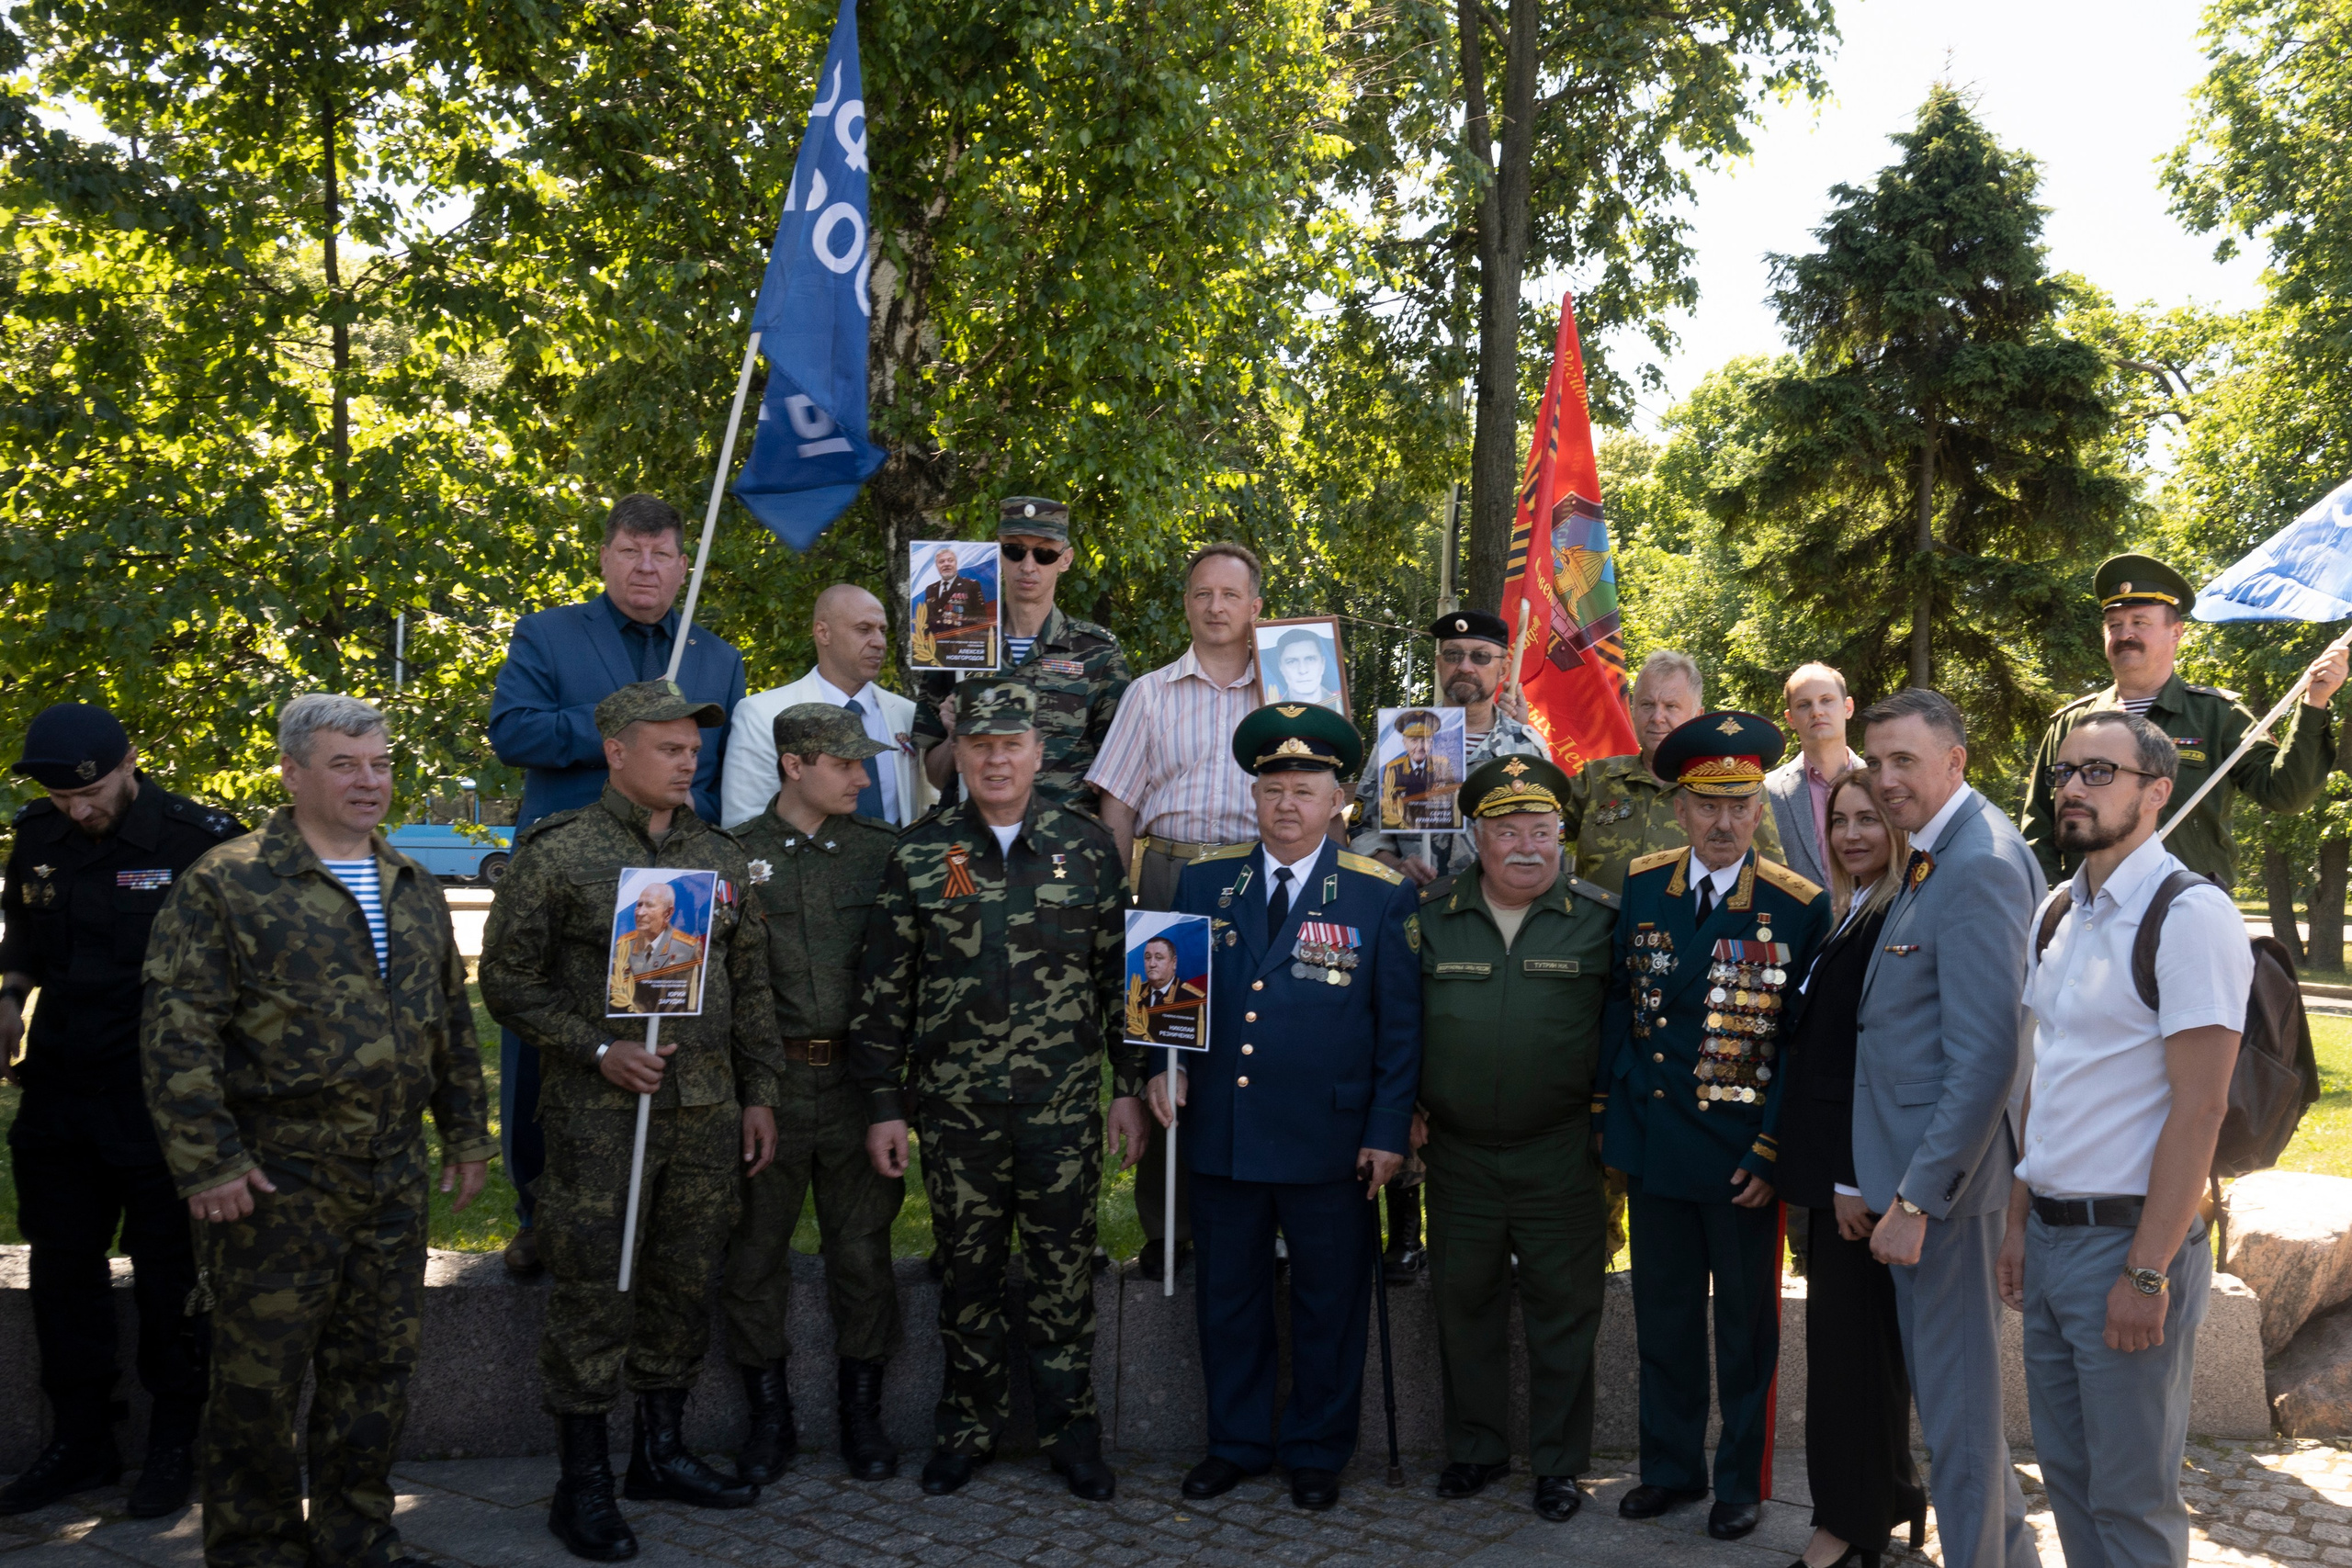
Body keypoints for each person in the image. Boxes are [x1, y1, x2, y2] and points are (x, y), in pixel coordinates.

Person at [140, 694, 494, 1568]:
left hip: (390, 1174)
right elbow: (177, 1032)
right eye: (345, 764)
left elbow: (449, 1019)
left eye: (380, 763)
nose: (370, 781)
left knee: (375, 1371)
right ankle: (255, 1546)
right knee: (257, 1381)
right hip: (275, 1178)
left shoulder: (412, 884)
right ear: (293, 773)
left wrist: (465, 1133)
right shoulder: (228, 881)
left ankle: (356, 1536)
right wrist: (208, 1163)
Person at [480, 680, 783, 1562]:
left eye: (694, 749)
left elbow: (751, 984)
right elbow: (507, 982)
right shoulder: (559, 851)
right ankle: (582, 1482)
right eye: (669, 748)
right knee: (595, 1286)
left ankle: (660, 1450)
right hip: (600, 1115)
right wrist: (597, 1047)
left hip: (705, 1110)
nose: (688, 762)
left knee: (683, 1282)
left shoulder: (718, 856)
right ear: (616, 751)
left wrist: (759, 1092)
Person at [849, 682, 1148, 1501]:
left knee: (1063, 1276)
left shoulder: (1088, 849)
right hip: (956, 1111)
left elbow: (1119, 981)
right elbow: (885, 991)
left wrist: (1128, 1088)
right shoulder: (920, 852)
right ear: (960, 752)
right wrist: (884, 1104)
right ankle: (965, 1429)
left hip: (1060, 1109)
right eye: (980, 744)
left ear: (1039, 752)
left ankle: (1071, 1433)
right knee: (967, 1276)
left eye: (1012, 743)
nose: (995, 759)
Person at [1149, 703, 1422, 1514]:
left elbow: (1401, 1030)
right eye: (1274, 789)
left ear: (1338, 799)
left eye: (1305, 790)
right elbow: (1165, 998)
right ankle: (1235, 1442)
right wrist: (1160, 1069)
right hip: (1224, 1130)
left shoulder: (1377, 895)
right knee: (1229, 1297)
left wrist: (1387, 1130)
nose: (1288, 804)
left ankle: (1316, 1449)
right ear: (1254, 796)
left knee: (1328, 1302)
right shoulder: (1204, 882)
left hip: (1330, 1138)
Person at [2001, 712, 2246, 1568]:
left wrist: (2146, 1271)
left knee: (2132, 1499)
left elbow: (2201, 1110)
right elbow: (2046, 1078)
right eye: (2065, 771)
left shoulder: (2190, 915)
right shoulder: (2057, 911)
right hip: (2048, 1237)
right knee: (2069, 1481)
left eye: (2099, 772)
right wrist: (2017, 1219)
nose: (2072, 787)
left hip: (2132, 1244)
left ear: (2156, 792)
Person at [488, 493, 749, 1279]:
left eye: (661, 554)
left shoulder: (716, 657)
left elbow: (718, 769)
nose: (645, 567)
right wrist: (616, 733)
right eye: (631, 551)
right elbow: (513, 730)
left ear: (682, 566)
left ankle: (663, 1209)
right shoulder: (548, 633)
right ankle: (538, 1212)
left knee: (668, 1049)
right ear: (604, 558)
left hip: (674, 879)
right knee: (546, 1047)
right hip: (572, 875)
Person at [0, 704, 241, 1519]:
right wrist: (8, 996)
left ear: (131, 762)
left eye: (92, 792)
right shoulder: (38, 835)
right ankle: (80, 1439)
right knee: (61, 1265)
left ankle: (174, 1439)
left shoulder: (200, 840)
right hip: (60, 1088)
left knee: (170, 1272)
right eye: (62, 798)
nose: (79, 809)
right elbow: (24, 938)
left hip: (160, 1097)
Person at [1598, 710, 1829, 1541]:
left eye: (1739, 804)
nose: (1724, 821)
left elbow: (1799, 1045)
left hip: (1740, 1156)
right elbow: (1621, 1000)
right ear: (1681, 808)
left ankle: (1740, 1480)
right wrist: (1613, 1110)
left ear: (1759, 808)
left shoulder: (1798, 905)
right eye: (1707, 804)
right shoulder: (1643, 883)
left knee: (1744, 1330)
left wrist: (1771, 1149)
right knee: (1662, 1320)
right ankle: (1669, 1468)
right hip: (1657, 1143)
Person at [1852, 688, 2043, 1568]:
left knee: (1959, 1417)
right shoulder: (1939, 850)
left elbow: (1986, 1059)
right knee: (1956, 1408)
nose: (1885, 779)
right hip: (1926, 1181)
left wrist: (1916, 1199)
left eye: (1905, 760)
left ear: (1955, 760)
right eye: (1875, 760)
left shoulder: (1980, 862)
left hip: (1946, 1195)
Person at [1412, 753, 1617, 1522]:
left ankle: (1559, 1463)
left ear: (1562, 832)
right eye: (1507, 830)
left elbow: (1624, 1030)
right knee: (1463, 1302)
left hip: (1559, 1148)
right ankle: (1476, 1448)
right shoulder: (1430, 916)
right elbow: (1397, 1023)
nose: (1527, 846)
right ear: (1476, 835)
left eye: (1542, 828)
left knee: (1566, 1309)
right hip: (1457, 1151)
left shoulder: (1599, 918)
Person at [721, 704, 905, 1487]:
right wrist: (753, 1090)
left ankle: (863, 1413)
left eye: (863, 762)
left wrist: (890, 1094)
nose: (863, 777)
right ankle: (769, 1417)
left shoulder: (883, 852)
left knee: (862, 1251)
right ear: (794, 765)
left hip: (860, 1083)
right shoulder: (734, 857)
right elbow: (728, 990)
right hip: (773, 1085)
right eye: (846, 763)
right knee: (754, 1252)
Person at [1089, 541, 1268, 1278]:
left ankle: (1261, 1225)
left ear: (1256, 606)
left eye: (1230, 594)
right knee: (1165, 1045)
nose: (1216, 607)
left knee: (1258, 1043)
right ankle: (1171, 1227)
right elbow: (1117, 807)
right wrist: (1120, 903)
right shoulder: (1149, 693)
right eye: (1202, 594)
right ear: (1186, 604)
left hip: (1258, 880)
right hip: (1169, 880)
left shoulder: (1290, 692)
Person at [1775, 770, 1928, 1568]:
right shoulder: (1857, 909)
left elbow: (1866, 1059)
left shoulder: (1889, 916)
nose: (1852, 834)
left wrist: (1848, 1181)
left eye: (1870, 819)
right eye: (1840, 821)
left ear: (1898, 829)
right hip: (1840, 1173)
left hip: (1858, 1182)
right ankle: (1891, 1493)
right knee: (1862, 1348)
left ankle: (1847, 1525)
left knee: (1848, 1359)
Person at [2018, 553, 2346, 888]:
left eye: (2140, 622)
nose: (2125, 634)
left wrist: (2314, 702)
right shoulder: (2072, 725)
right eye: (2114, 625)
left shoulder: (2216, 715)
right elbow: (2039, 830)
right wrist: (2054, 901)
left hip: (2189, 906)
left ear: (2175, 632)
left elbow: (2287, 795)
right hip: (2091, 909)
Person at [911, 497, 1132, 810]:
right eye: (1014, 551)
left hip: (1060, 835)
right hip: (971, 835)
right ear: (998, 554)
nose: (1028, 566)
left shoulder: (1098, 653)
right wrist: (953, 735)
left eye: (1044, 554)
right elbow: (935, 776)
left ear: (1065, 559)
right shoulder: (954, 642)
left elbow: (1117, 778)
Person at [1353, 608, 1552, 886]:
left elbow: (1548, 841)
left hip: (1499, 906)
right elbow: (1362, 830)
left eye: (1480, 657)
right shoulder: (1397, 742)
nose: (1465, 667)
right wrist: (1395, 867)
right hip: (1417, 904)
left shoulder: (1527, 749)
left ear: (1503, 669)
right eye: (1453, 655)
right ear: (1439, 664)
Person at [1560, 649, 1782, 895]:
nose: (1657, 717)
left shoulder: (1734, 786)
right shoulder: (1596, 780)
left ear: (1697, 716)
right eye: (1647, 705)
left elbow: (1770, 877)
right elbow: (1537, 832)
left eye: (1671, 706)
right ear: (1633, 710)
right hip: (1601, 920)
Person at [719, 583, 933, 831]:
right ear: (823, 633)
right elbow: (745, 824)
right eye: (864, 629)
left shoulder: (907, 714)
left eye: (882, 631)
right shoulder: (762, 715)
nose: (879, 642)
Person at [1764, 662, 1858, 891]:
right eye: (1804, 705)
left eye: (1826, 700)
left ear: (1848, 707)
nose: (1816, 711)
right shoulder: (1767, 792)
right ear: (1790, 719)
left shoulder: (1878, 784)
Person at [605, 881, 705, 1013]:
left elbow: (692, 1004)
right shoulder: (622, 946)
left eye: (649, 905)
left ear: (668, 913)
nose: (640, 912)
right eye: (639, 905)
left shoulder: (688, 949)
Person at [910, 544, 999, 670]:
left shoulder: (971, 585)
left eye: (950, 560)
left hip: (964, 648)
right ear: (937, 566)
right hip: (937, 651)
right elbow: (927, 621)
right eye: (941, 562)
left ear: (956, 564)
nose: (946, 564)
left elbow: (981, 618)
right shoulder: (931, 589)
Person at [1379, 711, 1459, 831]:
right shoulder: (1393, 769)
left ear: (1431, 743)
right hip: (1403, 832)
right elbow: (1388, 806)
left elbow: (1451, 803)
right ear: (1404, 744)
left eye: (1425, 740)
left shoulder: (1443, 765)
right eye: (1414, 740)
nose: (1420, 747)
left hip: (1438, 830)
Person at [1128, 935, 1206, 1047]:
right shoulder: (1134, 995)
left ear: (1174, 962)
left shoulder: (1193, 999)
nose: (1152, 964)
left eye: (1159, 958)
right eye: (1147, 957)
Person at [1266, 626, 1344, 711]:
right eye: (1292, 662)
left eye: (1310, 659)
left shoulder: (1341, 707)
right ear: (1281, 667)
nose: (1302, 670)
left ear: (1323, 664)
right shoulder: (1272, 712)